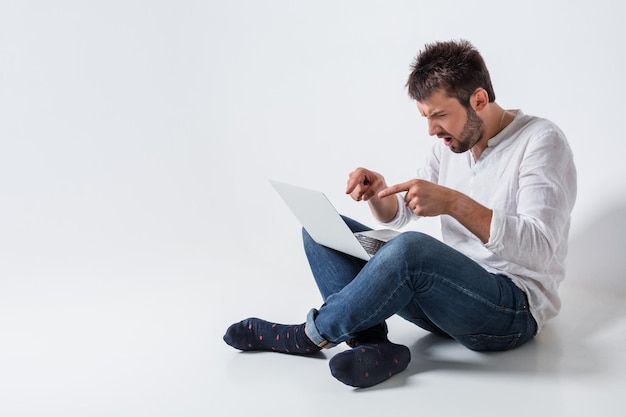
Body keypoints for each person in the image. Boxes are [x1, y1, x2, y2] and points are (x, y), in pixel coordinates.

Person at [223, 39, 577, 388]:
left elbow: (540, 248)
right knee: (323, 231)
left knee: (410, 250)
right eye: (425, 117)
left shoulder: (541, 141)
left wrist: (454, 203)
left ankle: (310, 334)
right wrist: (380, 194)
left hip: (509, 312)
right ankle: (374, 347)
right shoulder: (450, 145)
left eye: (439, 115)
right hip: (447, 299)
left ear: (479, 99)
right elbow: (402, 214)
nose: (432, 130)